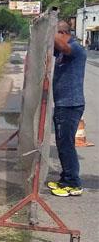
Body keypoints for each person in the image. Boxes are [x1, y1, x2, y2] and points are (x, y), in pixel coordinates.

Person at [48, 21, 87, 197]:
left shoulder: (75, 48)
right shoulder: (63, 49)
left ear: (62, 33)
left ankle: (73, 183)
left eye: (55, 35)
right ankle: (66, 178)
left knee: (66, 145)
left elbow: (62, 47)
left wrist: (49, 29)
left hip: (71, 104)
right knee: (62, 143)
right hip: (64, 103)